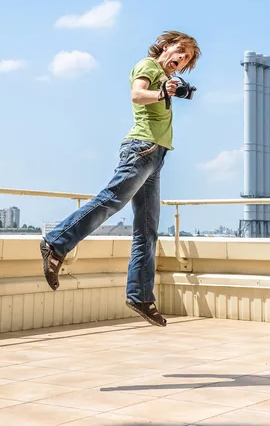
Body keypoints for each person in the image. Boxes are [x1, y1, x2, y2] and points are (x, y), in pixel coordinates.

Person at [40, 30, 201, 327]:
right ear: (166, 46)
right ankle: (56, 242)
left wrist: (176, 89)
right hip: (142, 148)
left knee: (147, 228)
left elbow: (169, 91)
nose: (182, 58)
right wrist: (163, 92)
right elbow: (137, 95)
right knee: (112, 199)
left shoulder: (164, 77)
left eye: (188, 57)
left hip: (157, 156)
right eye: (180, 50)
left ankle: (140, 295)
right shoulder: (148, 66)